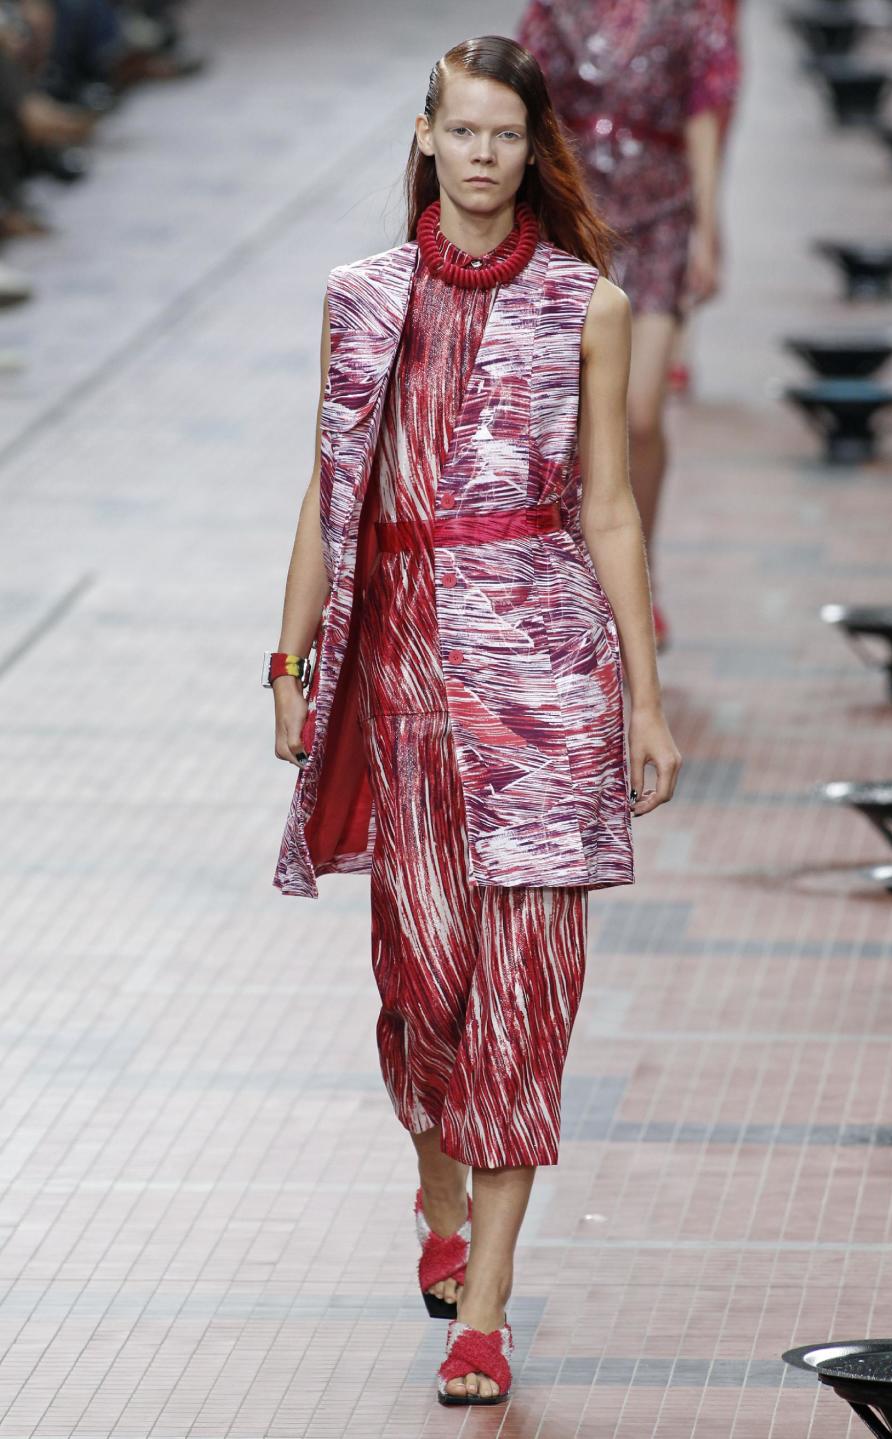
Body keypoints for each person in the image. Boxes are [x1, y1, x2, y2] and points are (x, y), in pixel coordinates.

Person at [267, 34, 681, 1407]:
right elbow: (329, 495)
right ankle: (436, 1181)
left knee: (524, 1003)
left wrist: (643, 692)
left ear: (531, 146)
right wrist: (289, 657)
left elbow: (609, 507)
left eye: (509, 134)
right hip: (400, 689)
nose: (487, 155)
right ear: (430, 138)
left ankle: (486, 1308)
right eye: (466, 132)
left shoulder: (587, 305)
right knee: (423, 992)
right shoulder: (360, 297)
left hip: (547, 687)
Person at [517, 0, 740, 648]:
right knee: (577, 416)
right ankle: (582, 574)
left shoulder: (691, 13)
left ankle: (642, 576)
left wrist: (707, 224)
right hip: (579, 215)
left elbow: (704, 112)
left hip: (664, 213)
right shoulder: (554, 9)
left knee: (642, 411)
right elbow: (528, 106)